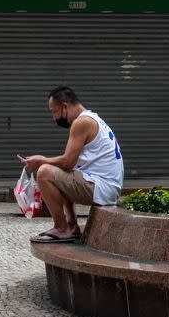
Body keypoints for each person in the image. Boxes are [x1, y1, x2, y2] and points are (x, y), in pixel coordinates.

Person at [20, 86, 124, 243]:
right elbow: (68, 166)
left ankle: (61, 229)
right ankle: (71, 226)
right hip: (106, 186)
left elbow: (67, 162)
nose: (54, 118)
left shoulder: (82, 122)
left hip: (102, 188)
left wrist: (40, 160)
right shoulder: (91, 118)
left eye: (54, 112)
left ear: (64, 107)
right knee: (58, 173)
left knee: (44, 172)